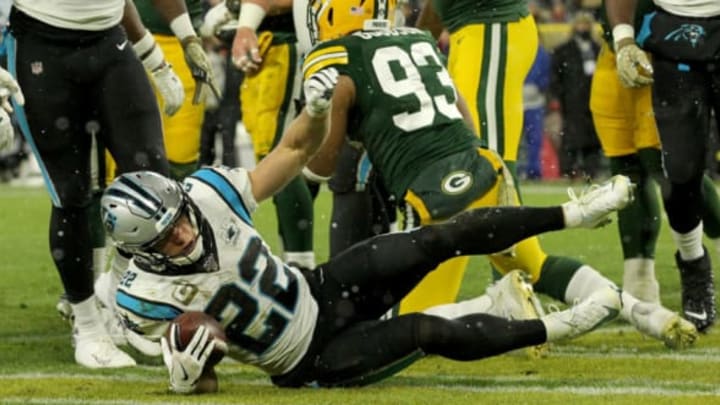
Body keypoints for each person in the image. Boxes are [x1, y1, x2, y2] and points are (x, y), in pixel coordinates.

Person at [102, 68, 635, 392]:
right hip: (308, 359)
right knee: (426, 332)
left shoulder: (207, 194)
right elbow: (208, 383)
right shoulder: (143, 300)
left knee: (436, 237)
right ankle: (562, 326)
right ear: (138, 251)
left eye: (177, 218)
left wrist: (314, 112)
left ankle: (575, 213)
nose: (181, 234)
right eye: (164, 238)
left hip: (322, 289)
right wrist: (187, 379)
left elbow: (290, 152)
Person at [301, 0, 696, 349]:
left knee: (390, 330)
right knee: (530, 261)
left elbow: (321, 164)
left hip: (443, 187)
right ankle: (642, 311)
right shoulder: (416, 43)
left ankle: (496, 304)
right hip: (470, 147)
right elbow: (462, 113)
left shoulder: (344, 59)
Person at [2, 0, 204, 369]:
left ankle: (116, 296)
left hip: (110, 41)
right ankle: (88, 324)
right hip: (41, 43)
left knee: (155, 185)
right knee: (71, 193)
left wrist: (156, 54)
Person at [409, 0, 542, 314]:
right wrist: (415, 43)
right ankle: (521, 283)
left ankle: (524, 286)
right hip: (472, 32)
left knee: (488, 165)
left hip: (491, 25)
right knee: (475, 162)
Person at [591, 0, 720, 305]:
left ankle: (701, 256)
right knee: (625, 169)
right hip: (617, 53)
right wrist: (622, 40)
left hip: (665, 51)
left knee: (669, 165)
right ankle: (640, 279)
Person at [227, 0, 318, 270]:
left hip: (284, 45)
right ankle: (294, 259)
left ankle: (302, 263)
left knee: (281, 154)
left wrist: (245, 23)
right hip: (270, 46)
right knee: (275, 154)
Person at [550, 12, 604, 180]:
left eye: (586, 25)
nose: (583, 28)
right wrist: (557, 97)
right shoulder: (564, 51)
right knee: (570, 138)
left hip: (595, 100)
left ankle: (591, 171)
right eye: (580, 24)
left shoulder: (598, 49)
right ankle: (568, 172)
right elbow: (555, 78)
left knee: (593, 139)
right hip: (571, 101)